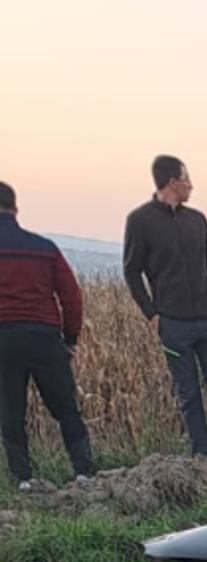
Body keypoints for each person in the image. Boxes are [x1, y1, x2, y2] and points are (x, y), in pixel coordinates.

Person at [124, 155, 207, 463]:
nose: (192, 185)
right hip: (174, 327)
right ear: (172, 183)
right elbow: (131, 271)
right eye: (187, 179)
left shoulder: (198, 220)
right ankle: (203, 459)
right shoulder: (140, 221)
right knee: (189, 396)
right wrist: (152, 314)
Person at [0, 181, 95, 490]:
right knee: (65, 406)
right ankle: (83, 473)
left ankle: (23, 479)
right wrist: (69, 339)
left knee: (10, 410)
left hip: (4, 338)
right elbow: (72, 297)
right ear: (15, 209)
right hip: (44, 337)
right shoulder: (44, 248)